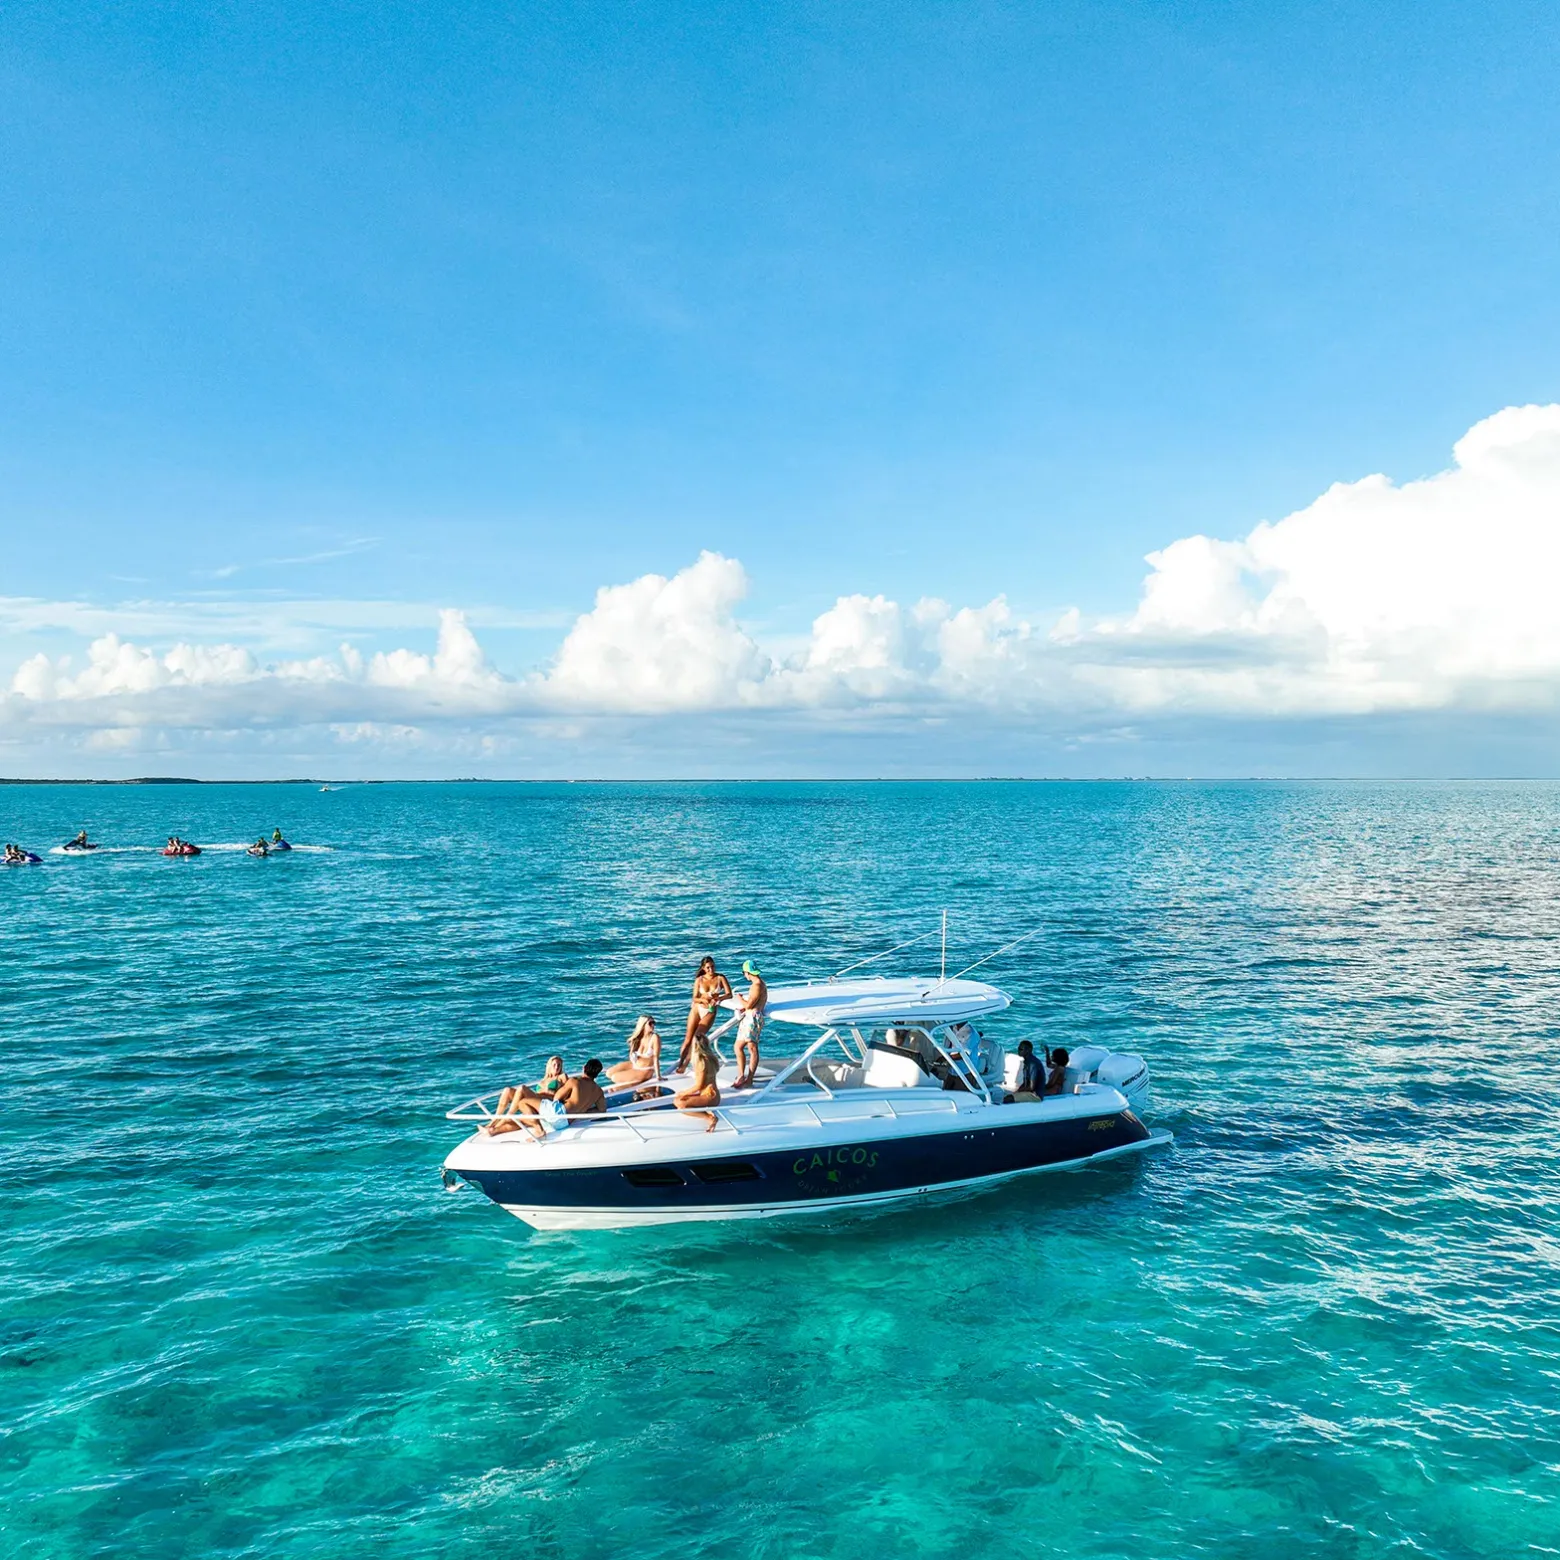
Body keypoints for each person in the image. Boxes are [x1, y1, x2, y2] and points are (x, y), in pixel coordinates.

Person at [679, 956, 732, 1070]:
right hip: (697, 1009)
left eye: (712, 966)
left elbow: (729, 994)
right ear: (703, 968)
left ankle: (686, 1065)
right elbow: (694, 998)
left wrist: (719, 999)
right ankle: (680, 1064)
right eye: (708, 967)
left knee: (697, 1037)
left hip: (710, 1011)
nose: (711, 969)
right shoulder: (699, 980)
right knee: (688, 1039)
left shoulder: (720, 978)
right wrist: (703, 1000)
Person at [731, 960, 767, 1090]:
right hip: (749, 1017)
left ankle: (749, 1079)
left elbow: (749, 1005)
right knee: (738, 1046)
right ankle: (741, 1075)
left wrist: (740, 998)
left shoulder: (757, 986)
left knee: (752, 1047)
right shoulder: (757, 984)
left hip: (753, 1019)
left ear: (747, 973)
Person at [675, 1033, 722, 1132]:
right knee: (682, 1099)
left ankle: (709, 1118)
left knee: (679, 1103)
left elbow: (699, 1086)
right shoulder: (711, 1058)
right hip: (713, 1094)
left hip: (709, 1096)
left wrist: (683, 1093)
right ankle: (705, 1111)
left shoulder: (701, 1061)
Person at [607, 1016, 661, 1085]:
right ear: (643, 1025)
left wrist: (658, 1076)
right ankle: (632, 1078)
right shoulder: (637, 1038)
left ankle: (634, 1082)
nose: (653, 1025)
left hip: (645, 1070)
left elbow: (656, 1058)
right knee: (609, 1073)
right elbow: (631, 1056)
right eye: (650, 1023)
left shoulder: (654, 1037)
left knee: (614, 1077)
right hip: (635, 1065)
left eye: (654, 1023)